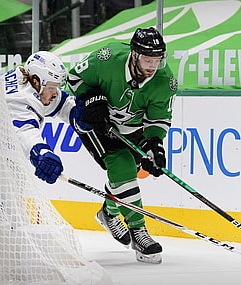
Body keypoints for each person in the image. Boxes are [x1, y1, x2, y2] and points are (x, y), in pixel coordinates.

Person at [67, 27, 177, 264]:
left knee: (125, 175)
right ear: (134, 54)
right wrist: (90, 97)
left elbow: (157, 120)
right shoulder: (107, 57)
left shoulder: (165, 80)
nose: (152, 66)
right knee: (122, 165)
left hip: (131, 129)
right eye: (148, 59)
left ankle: (108, 212)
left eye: (157, 60)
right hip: (96, 123)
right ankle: (138, 231)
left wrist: (155, 145)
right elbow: (74, 78)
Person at [4, 51, 90, 185]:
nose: (55, 93)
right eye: (52, 88)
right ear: (35, 81)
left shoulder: (25, 79)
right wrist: (42, 153)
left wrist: (76, 113)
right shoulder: (21, 98)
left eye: (56, 87)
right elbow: (24, 131)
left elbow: (61, 104)